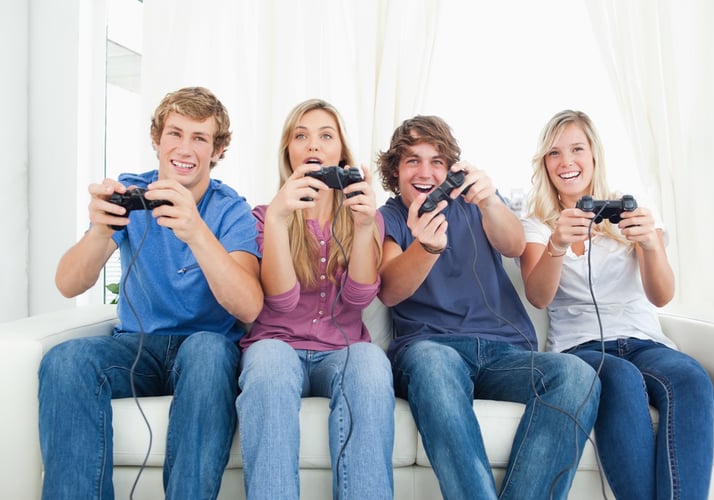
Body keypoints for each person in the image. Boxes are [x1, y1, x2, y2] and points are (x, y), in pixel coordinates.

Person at [42, 86, 263, 499]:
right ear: (157, 140)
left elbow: (250, 306)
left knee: (210, 352)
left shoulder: (231, 209)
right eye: (175, 134)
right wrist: (100, 232)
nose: (185, 147)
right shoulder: (131, 195)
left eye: (200, 138)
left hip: (204, 348)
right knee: (65, 360)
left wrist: (196, 231)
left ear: (217, 151)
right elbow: (68, 284)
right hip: (137, 347)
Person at [376, 114, 600, 500]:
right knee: (432, 363)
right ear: (395, 171)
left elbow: (514, 245)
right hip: (432, 350)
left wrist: (489, 200)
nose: (425, 172)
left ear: (452, 169)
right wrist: (426, 248)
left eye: (437, 162)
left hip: (505, 352)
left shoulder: (473, 205)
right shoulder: (389, 217)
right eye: (412, 160)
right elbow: (390, 289)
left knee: (578, 375)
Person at [519, 109, 714, 499]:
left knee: (692, 378)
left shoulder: (633, 212)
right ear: (544, 163)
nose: (567, 162)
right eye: (554, 153)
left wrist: (650, 244)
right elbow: (538, 297)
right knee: (621, 380)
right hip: (582, 350)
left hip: (645, 342)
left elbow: (661, 295)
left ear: (594, 156)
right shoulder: (538, 224)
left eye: (577, 149)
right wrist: (557, 244)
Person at [235, 98, 394, 500]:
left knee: (371, 362)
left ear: (341, 153)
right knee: (269, 366)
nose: (313, 146)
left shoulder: (365, 215)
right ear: (288, 152)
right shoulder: (263, 216)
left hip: (341, 350)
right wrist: (278, 218)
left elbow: (359, 297)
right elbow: (283, 301)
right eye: (301, 136)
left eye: (326, 136)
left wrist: (361, 229)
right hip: (276, 346)